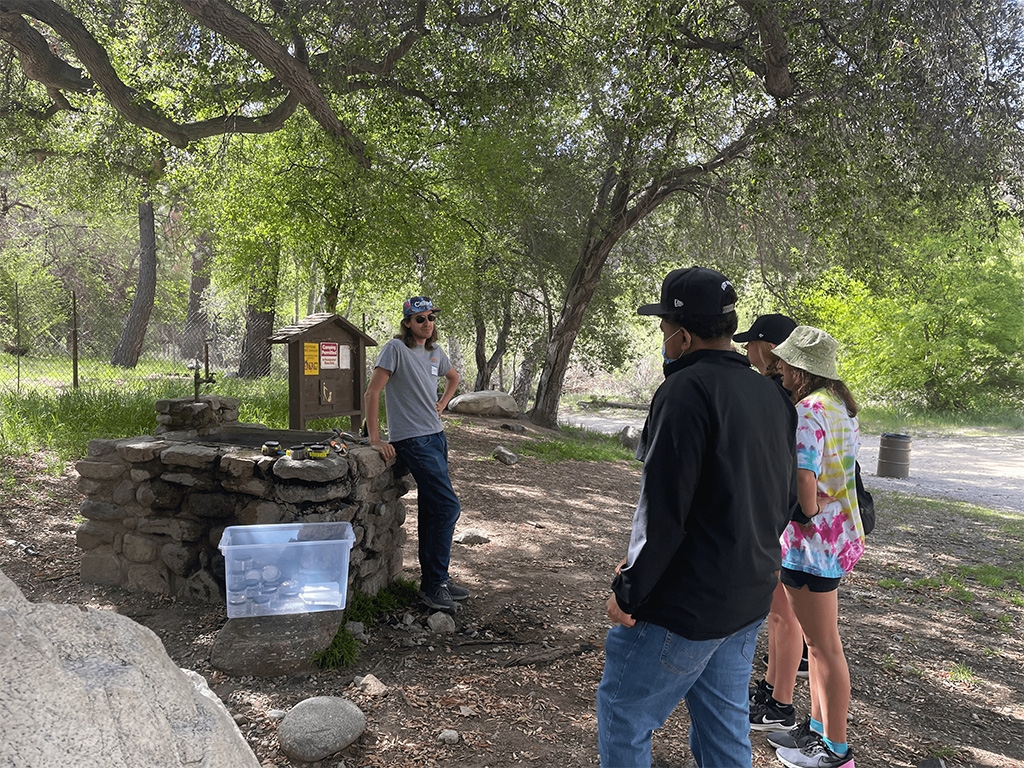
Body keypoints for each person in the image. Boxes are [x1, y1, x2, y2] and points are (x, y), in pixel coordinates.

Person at [596, 267, 798, 768]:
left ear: (683, 334)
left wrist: (630, 589)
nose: (663, 339)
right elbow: (786, 498)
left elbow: (665, 509)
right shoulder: (772, 394)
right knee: (722, 723)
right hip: (747, 594)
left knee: (624, 715)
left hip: (687, 604)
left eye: (664, 328)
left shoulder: (685, 391)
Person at [768, 326, 864, 768]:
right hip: (839, 537)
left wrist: (803, 512)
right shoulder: (842, 406)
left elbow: (805, 475)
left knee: (824, 648)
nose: (778, 368)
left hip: (812, 545)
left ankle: (835, 751)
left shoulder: (807, 410)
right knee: (821, 642)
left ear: (802, 370)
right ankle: (819, 731)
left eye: (785, 362)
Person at [363, 296, 468, 616]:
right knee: (449, 505)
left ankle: (437, 581)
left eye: (431, 318)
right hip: (412, 441)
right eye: (420, 319)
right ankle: (433, 585)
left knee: (433, 507)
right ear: (407, 322)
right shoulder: (395, 350)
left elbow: (454, 378)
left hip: (436, 437)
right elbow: (373, 392)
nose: (427, 323)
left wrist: (443, 403)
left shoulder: (435, 352)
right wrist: (376, 438)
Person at [734, 314, 810, 731]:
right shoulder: (804, 394)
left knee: (783, 614)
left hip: (791, 523)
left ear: (769, 349)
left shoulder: (786, 398)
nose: (746, 351)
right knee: (782, 613)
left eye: (751, 344)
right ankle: (769, 689)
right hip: (792, 520)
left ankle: (779, 705)